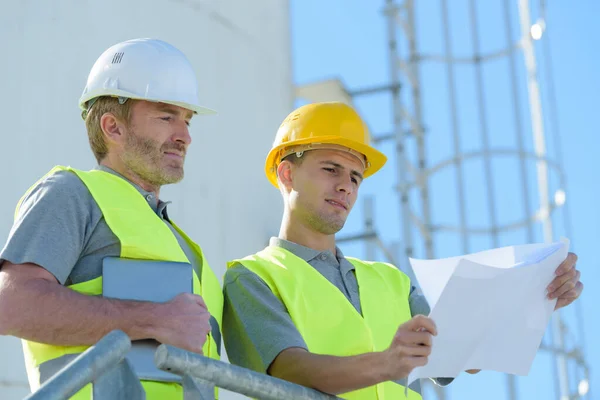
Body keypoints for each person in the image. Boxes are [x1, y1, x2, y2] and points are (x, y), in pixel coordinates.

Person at [222, 101, 583, 399]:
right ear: (287, 174)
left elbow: (459, 353)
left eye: (354, 177)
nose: (345, 186)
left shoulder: (390, 281)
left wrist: (535, 297)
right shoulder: (253, 277)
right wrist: (389, 363)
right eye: (331, 169)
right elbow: (290, 370)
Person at [0, 38, 223, 399]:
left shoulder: (181, 243)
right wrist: (154, 321)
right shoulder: (72, 193)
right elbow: (10, 304)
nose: (184, 136)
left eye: (187, 120)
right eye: (167, 116)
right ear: (112, 127)